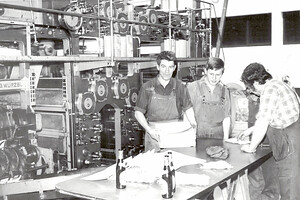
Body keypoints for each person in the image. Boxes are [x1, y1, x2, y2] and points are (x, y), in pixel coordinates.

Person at [238, 62, 300, 200]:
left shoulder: (269, 90)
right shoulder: (279, 84)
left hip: (290, 145)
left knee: (289, 192)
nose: (253, 92)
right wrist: (251, 130)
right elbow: (277, 115)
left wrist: (251, 148)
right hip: (292, 141)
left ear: (255, 82)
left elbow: (263, 121)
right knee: (291, 189)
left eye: (250, 88)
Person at [134, 51, 197, 152]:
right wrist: (149, 130)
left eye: (170, 67)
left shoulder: (180, 86)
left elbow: (188, 109)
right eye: (163, 66)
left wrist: (194, 125)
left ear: (174, 68)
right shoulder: (147, 87)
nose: (167, 71)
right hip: (154, 135)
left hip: (175, 135)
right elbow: (138, 113)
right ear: (158, 67)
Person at [187, 57, 231, 143]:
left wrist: (226, 139)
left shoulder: (225, 90)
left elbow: (226, 118)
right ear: (205, 71)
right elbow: (186, 113)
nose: (214, 78)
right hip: (198, 133)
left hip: (218, 135)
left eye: (218, 75)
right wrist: (189, 138)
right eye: (211, 74)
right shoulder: (193, 87)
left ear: (222, 73)